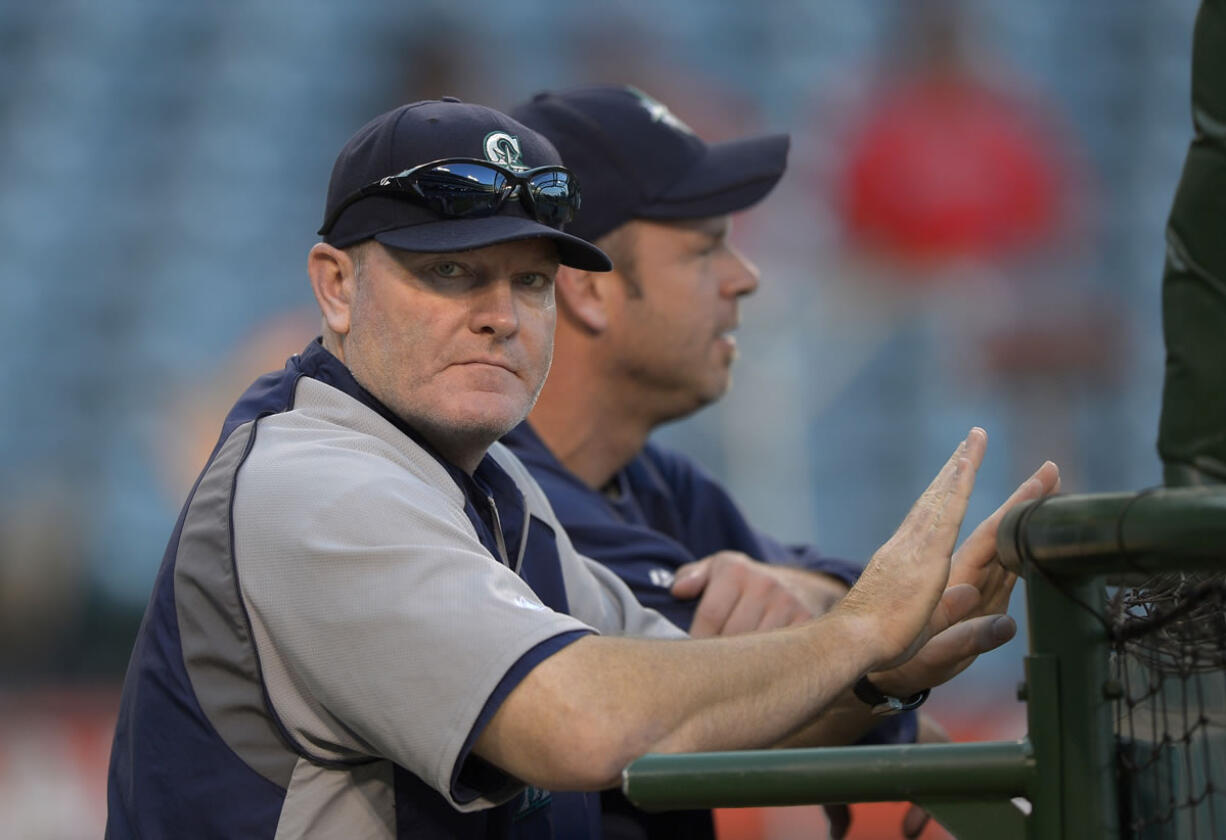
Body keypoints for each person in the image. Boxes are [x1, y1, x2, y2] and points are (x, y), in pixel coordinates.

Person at [105, 97, 1055, 840]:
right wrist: (858, 634)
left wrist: (879, 678)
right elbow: (581, 724)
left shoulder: (493, 485)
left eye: (527, 281)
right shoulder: (316, 481)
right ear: (335, 287)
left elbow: (695, 699)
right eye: (450, 273)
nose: (500, 314)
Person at [506, 84, 1061, 837]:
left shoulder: (651, 480)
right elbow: (717, 719)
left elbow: (842, 603)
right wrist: (872, 662)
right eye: (704, 249)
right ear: (589, 290)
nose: (745, 276)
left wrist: (801, 594)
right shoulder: (491, 502)